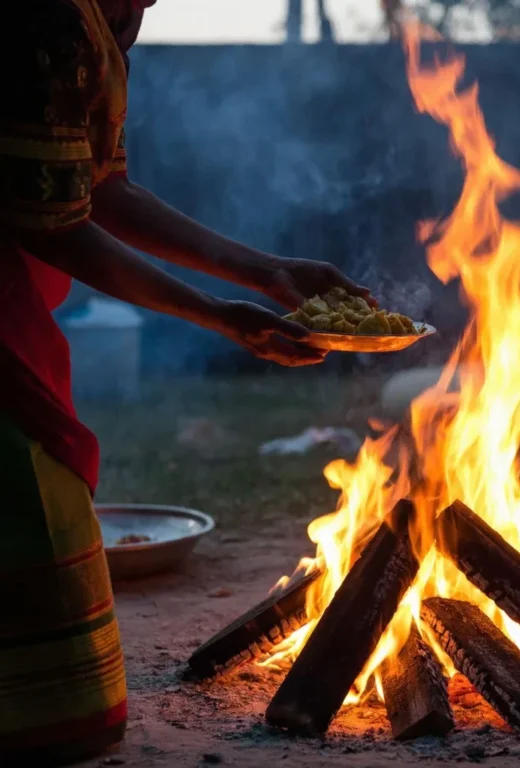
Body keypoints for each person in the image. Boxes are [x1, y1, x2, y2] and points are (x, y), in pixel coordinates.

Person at [0, 0, 370, 763]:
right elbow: (52, 222)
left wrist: (264, 273)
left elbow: (100, 188)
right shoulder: (45, 20)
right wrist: (220, 315)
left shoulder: (100, 22)